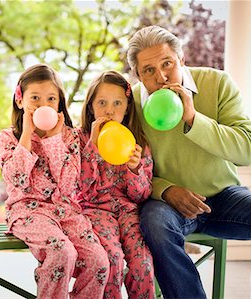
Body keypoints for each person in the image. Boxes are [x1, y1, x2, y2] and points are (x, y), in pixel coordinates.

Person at [127, 25, 251, 298]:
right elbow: (130, 167)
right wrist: (166, 190)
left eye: (167, 64)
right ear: (138, 75)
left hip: (223, 197)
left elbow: (246, 150)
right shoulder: (132, 104)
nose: (161, 77)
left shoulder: (217, 83)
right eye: (148, 71)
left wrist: (193, 119)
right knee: (155, 225)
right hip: (167, 204)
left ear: (182, 60)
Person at [0, 63, 110, 299]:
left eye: (51, 99)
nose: (43, 105)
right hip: (27, 212)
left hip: (66, 211)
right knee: (62, 253)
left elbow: (68, 186)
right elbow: (16, 178)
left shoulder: (70, 136)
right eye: (35, 98)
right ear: (20, 100)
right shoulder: (8, 137)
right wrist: (27, 135)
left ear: (59, 105)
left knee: (98, 262)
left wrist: (54, 141)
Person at [77, 70, 155, 299]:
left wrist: (134, 169)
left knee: (143, 264)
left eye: (117, 103)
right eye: (102, 102)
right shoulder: (80, 140)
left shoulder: (137, 142)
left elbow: (142, 195)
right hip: (95, 211)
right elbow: (82, 190)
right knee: (112, 259)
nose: (109, 110)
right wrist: (92, 146)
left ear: (127, 107)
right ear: (91, 106)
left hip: (129, 212)